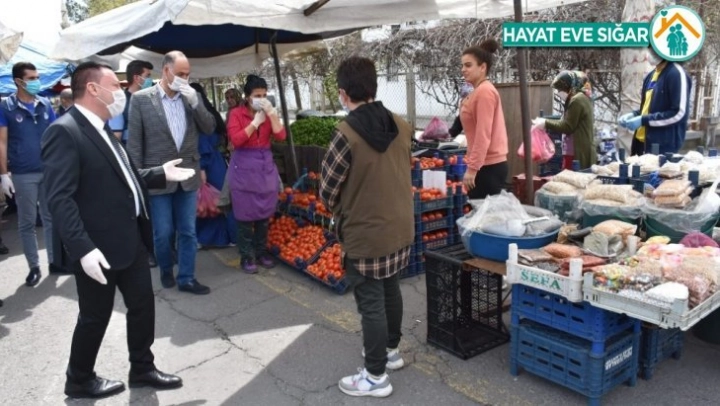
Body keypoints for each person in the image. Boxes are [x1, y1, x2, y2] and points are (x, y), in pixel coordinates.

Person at [41, 61, 191, 399]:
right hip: (97, 248)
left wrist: (160, 174)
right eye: (114, 85)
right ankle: (79, 378)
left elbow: (123, 177)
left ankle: (143, 368)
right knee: (95, 316)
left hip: (129, 239)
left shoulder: (102, 128)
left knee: (142, 306)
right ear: (93, 89)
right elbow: (60, 199)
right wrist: (83, 249)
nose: (121, 92)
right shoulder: (65, 131)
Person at [320, 56, 414, 398]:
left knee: (371, 302)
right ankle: (390, 351)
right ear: (374, 86)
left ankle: (375, 376)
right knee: (391, 289)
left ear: (344, 94)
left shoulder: (345, 134)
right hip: (400, 225)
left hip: (366, 233)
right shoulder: (401, 125)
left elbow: (327, 189)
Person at [127, 51, 215, 295]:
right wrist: (138, 180)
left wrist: (196, 103)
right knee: (163, 232)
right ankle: (166, 268)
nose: (184, 79)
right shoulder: (141, 100)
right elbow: (135, 145)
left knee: (188, 231)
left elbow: (209, 127)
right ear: (166, 71)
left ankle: (187, 277)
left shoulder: (191, 97)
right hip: (158, 176)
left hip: (188, 174)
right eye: (180, 74)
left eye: (188, 75)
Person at [0, 62, 64, 287]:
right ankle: (34, 266)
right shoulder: (6, 107)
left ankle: (55, 262)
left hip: (48, 170)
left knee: (50, 218)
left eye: (37, 77)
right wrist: (4, 174)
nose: (37, 81)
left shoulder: (44, 103)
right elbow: (2, 141)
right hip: (23, 172)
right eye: (32, 78)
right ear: (19, 81)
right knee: (27, 222)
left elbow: (56, 134)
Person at [226, 75, 286, 273]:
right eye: (257, 96)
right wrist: (254, 124)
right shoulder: (236, 114)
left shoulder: (268, 113)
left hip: (264, 167)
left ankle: (261, 252)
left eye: (264, 95)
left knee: (264, 212)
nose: (261, 99)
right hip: (243, 167)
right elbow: (236, 140)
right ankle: (246, 256)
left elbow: (281, 136)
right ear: (247, 97)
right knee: (244, 214)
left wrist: (272, 114)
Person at [459, 40, 509, 199]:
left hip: (488, 167)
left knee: (484, 213)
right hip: (486, 165)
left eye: (468, 65)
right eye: (462, 65)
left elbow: (483, 134)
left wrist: (472, 168)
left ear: (482, 67)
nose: (463, 69)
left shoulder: (484, 92)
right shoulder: (479, 91)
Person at [619, 47, 692, 155]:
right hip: (640, 143)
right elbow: (649, 108)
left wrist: (643, 120)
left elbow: (678, 113)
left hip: (662, 148)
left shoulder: (676, 74)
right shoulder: (651, 76)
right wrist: (634, 114)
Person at [190, 82, 237, 248]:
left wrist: (202, 168)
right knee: (222, 200)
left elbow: (203, 144)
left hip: (208, 163)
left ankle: (208, 238)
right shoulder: (211, 113)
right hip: (218, 162)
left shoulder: (199, 117)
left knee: (207, 203)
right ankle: (231, 236)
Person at [532, 70, 596, 170]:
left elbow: (568, 127)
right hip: (573, 150)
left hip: (576, 152)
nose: (559, 92)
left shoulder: (577, 100)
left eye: (560, 89)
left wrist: (545, 123)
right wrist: (545, 123)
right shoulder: (579, 99)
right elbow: (566, 122)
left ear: (570, 87)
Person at [108, 60, 154, 145]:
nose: (150, 80)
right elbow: (116, 136)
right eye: (147, 76)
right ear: (136, 78)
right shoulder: (119, 102)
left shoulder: (151, 100)